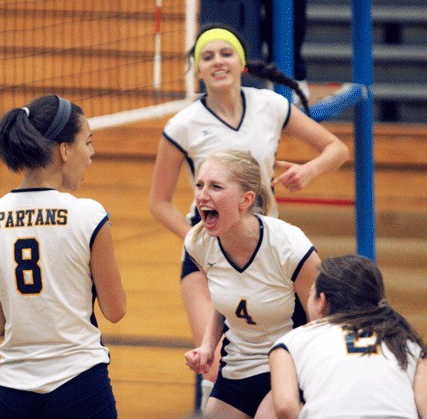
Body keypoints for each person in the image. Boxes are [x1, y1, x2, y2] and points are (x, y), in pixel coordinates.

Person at [149, 23, 348, 409]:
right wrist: (201, 242)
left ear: (242, 63)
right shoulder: (182, 125)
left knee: (288, 355)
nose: (218, 62)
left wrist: (306, 172)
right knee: (212, 365)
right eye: (207, 56)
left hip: (266, 249)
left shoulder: (270, 105)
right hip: (207, 254)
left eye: (226, 54)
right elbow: (158, 202)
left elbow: (336, 148)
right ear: (198, 70)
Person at [0, 94, 127, 419]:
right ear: (65, 150)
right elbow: (115, 310)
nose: (92, 154)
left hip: (14, 392)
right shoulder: (89, 215)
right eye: (88, 142)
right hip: (81, 384)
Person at [183, 150, 321, 418]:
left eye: (215, 186)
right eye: (200, 185)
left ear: (245, 199)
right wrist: (208, 346)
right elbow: (226, 299)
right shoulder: (198, 243)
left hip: (287, 366)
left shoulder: (289, 246)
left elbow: (322, 318)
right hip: (236, 368)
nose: (202, 195)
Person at [269, 254, 427, 418]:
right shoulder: (407, 342)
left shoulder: (291, 341)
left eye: (311, 293)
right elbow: (426, 402)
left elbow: (285, 407)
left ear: (322, 301)